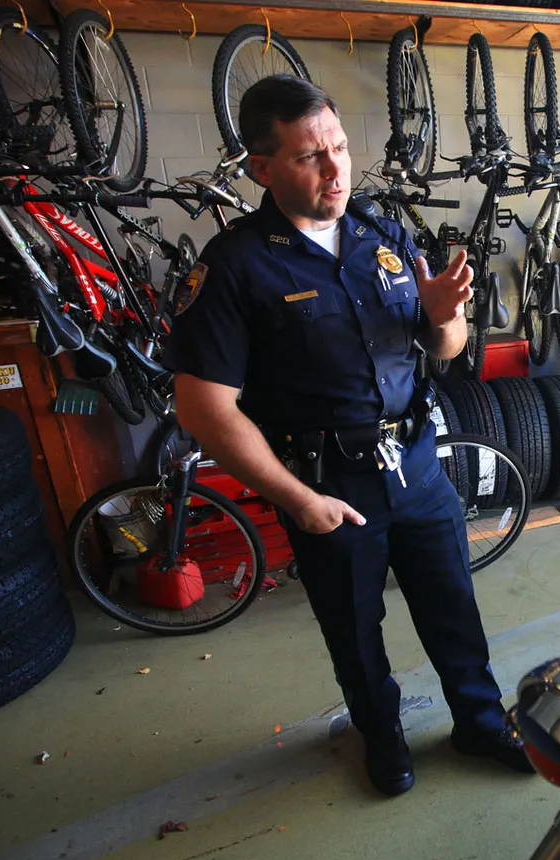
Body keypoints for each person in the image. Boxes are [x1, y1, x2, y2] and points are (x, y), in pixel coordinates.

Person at [167, 74, 532, 797]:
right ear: (262, 168)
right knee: (354, 628)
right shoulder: (238, 265)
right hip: (327, 481)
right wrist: (297, 499)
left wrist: (441, 316)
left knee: (451, 603)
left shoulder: (381, 232)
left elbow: (447, 350)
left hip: (419, 464)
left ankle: (481, 722)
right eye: (310, 157)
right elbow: (204, 409)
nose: (336, 169)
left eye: (338, 146)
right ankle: (382, 734)